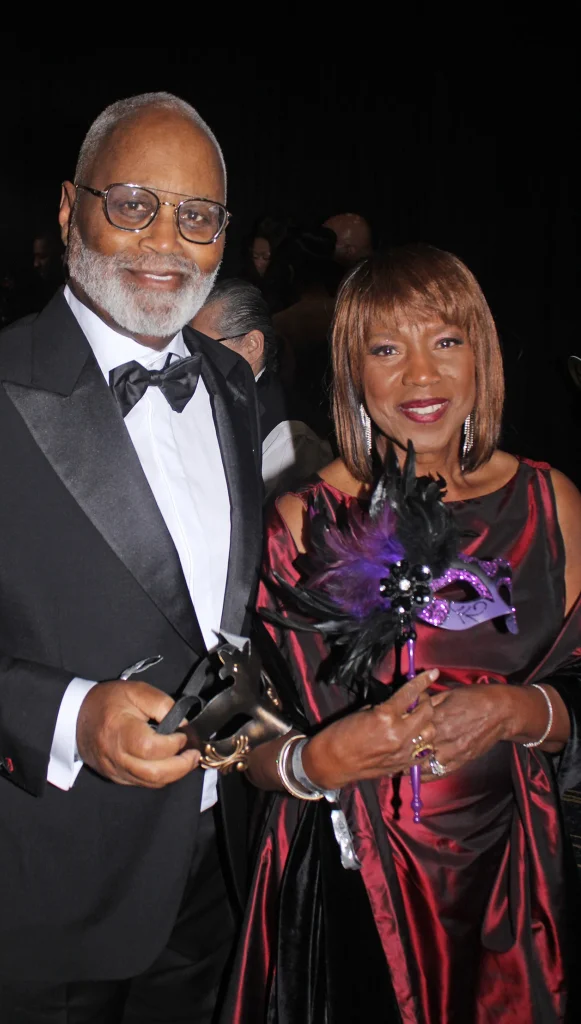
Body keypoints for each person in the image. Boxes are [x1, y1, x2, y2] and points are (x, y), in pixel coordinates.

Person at [0, 92, 263, 1024]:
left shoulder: (230, 383)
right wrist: (71, 715)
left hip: (215, 870)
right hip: (42, 888)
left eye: (197, 215)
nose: (165, 241)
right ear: (69, 210)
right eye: (133, 203)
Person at [225, 245, 581, 1023]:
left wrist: (521, 711)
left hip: (517, 882)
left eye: (445, 341)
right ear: (352, 372)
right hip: (358, 889)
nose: (421, 375)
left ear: (481, 355)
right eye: (386, 350)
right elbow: (234, 731)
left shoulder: (549, 504)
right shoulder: (301, 526)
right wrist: (314, 761)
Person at [191, 278, 332, 500]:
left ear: (252, 345)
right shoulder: (210, 401)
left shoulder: (292, 436)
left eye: (205, 349)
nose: (189, 363)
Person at [272, 227, 338, 436]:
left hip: (298, 427)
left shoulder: (282, 322)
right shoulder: (349, 314)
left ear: (291, 272)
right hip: (344, 420)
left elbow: (283, 382)